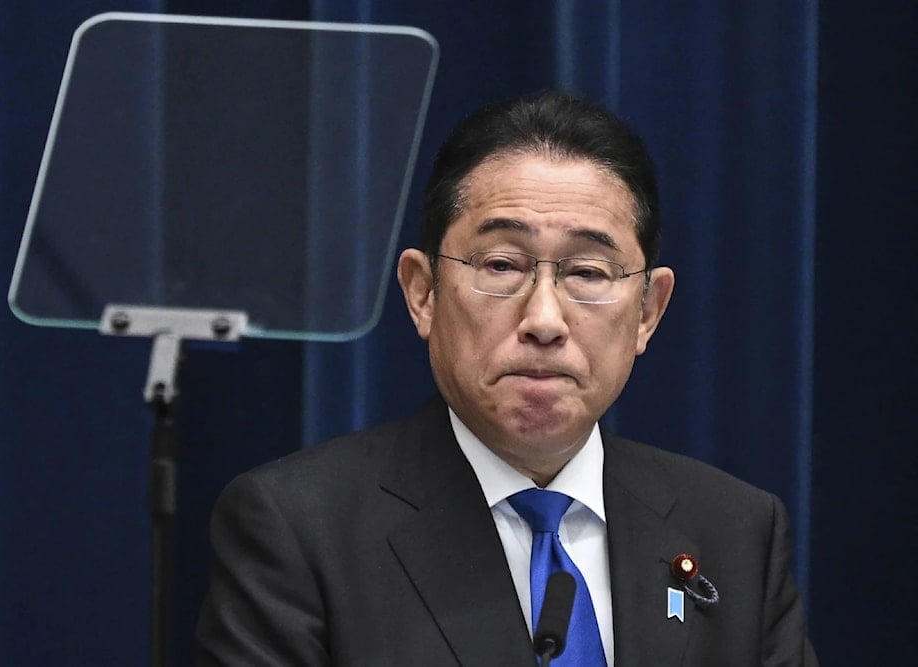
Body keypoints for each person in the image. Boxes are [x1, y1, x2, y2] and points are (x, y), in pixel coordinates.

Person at [195, 91, 817, 666]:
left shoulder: (735, 530)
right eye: (501, 264)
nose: (544, 320)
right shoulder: (300, 529)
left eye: (589, 273)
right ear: (422, 293)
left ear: (648, 312)